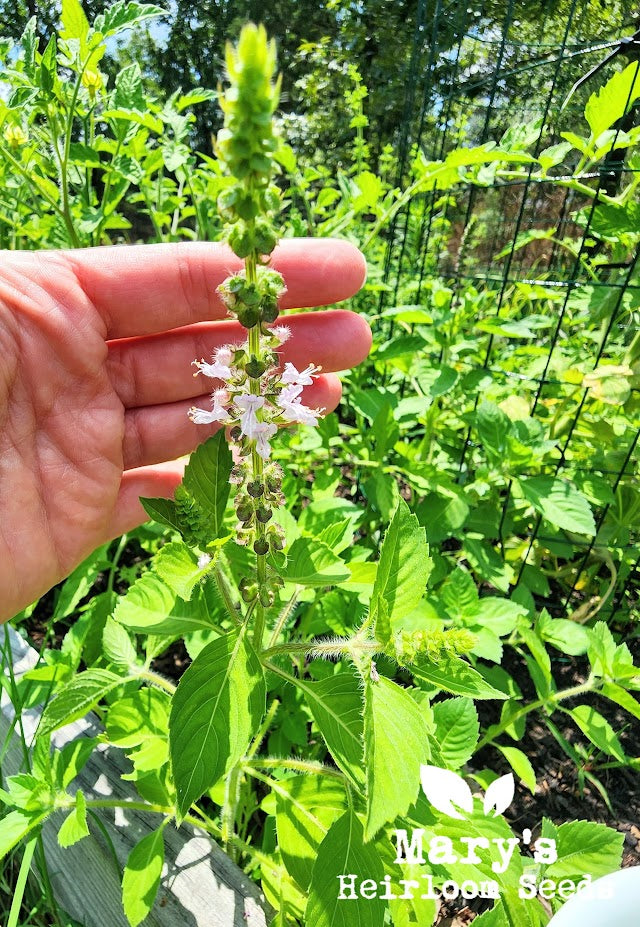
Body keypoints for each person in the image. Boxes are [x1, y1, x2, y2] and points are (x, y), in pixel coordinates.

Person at [0, 238, 370, 622]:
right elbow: (242, 405)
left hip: (257, 421)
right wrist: (230, 408)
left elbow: (259, 410)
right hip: (250, 419)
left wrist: (275, 407)